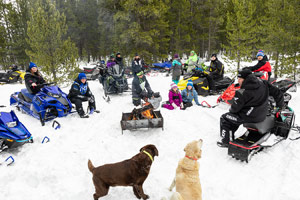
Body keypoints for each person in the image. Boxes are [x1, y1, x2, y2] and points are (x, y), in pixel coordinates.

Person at [217, 69, 284, 148]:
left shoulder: (241, 92)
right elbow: (278, 93)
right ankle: (231, 133)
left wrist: (232, 111)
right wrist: (280, 106)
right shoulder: (263, 83)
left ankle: (226, 141)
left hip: (249, 117)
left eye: (240, 79)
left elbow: (234, 109)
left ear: (245, 79)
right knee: (234, 117)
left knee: (225, 117)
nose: (238, 81)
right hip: (262, 114)